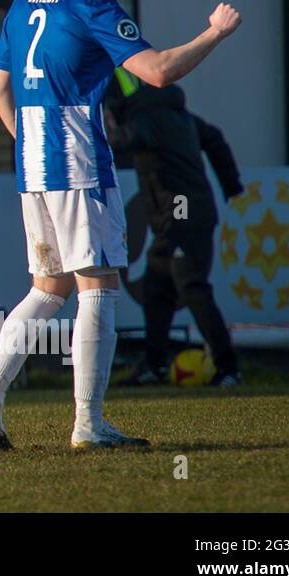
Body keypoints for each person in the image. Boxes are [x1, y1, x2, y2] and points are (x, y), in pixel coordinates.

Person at [0, 0, 241, 452]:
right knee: (99, 287)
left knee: (48, 288)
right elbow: (159, 72)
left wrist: (32, 145)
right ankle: (88, 424)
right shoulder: (89, 3)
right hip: (77, 160)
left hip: (33, 164)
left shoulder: (21, 3)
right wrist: (215, 32)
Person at [105, 70, 244, 387]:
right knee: (157, 291)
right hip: (173, 223)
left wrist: (104, 134)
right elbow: (215, 138)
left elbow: (125, 141)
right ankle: (155, 367)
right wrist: (231, 185)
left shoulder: (148, 119)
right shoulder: (179, 115)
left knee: (192, 287)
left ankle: (229, 368)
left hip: (186, 220)